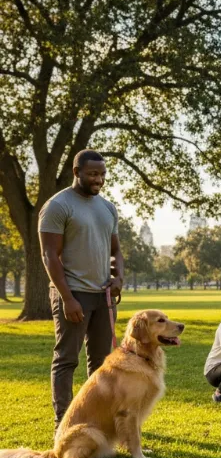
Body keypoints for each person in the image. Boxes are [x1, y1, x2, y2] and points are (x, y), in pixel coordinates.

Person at [39, 150, 124, 432]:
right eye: (92, 174)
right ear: (76, 172)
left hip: (103, 297)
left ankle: (98, 421)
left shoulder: (108, 208)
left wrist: (118, 279)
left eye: (102, 174)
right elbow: (49, 255)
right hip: (72, 294)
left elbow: (116, 252)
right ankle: (63, 424)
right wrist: (66, 298)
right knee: (66, 360)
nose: (98, 179)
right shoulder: (58, 206)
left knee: (102, 365)